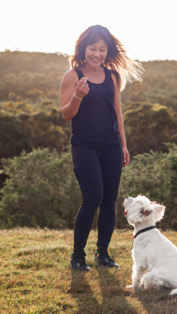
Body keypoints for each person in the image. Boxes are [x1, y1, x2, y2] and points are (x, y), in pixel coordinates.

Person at [60, 25, 143, 271]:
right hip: (85, 146)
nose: (97, 54)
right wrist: (78, 95)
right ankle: (77, 256)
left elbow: (117, 112)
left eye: (102, 49)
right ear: (83, 49)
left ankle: (102, 254)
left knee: (108, 201)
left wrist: (124, 145)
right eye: (93, 48)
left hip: (111, 145)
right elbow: (66, 114)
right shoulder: (72, 76)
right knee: (92, 197)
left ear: (108, 51)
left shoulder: (113, 76)